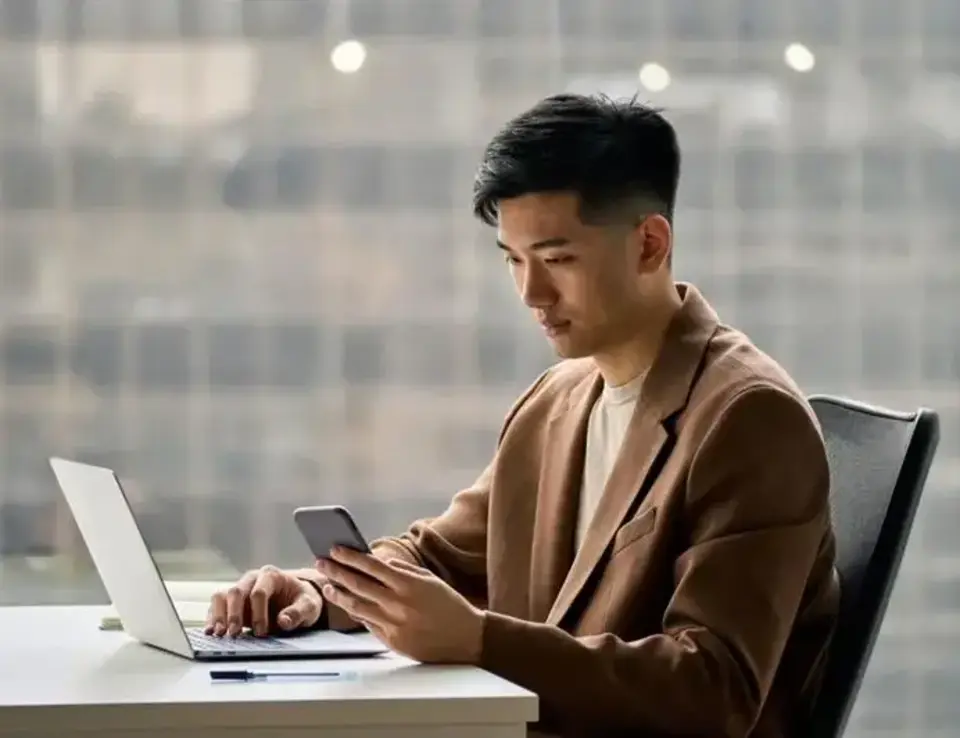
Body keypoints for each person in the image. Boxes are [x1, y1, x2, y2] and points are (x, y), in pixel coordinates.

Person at [205, 93, 840, 738]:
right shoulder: (556, 400)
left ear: (649, 243)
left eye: (558, 259)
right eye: (514, 259)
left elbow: (714, 688)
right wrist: (322, 594)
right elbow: (438, 556)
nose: (532, 294)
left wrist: (481, 642)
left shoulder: (749, 417)